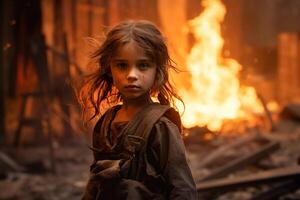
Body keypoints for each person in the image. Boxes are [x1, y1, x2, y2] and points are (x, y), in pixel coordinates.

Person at [78, 20, 197, 200]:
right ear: (109, 68)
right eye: (122, 65)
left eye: (143, 65)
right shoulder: (106, 123)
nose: (132, 75)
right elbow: (96, 181)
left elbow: (182, 188)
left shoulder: (160, 126)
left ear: (157, 70)